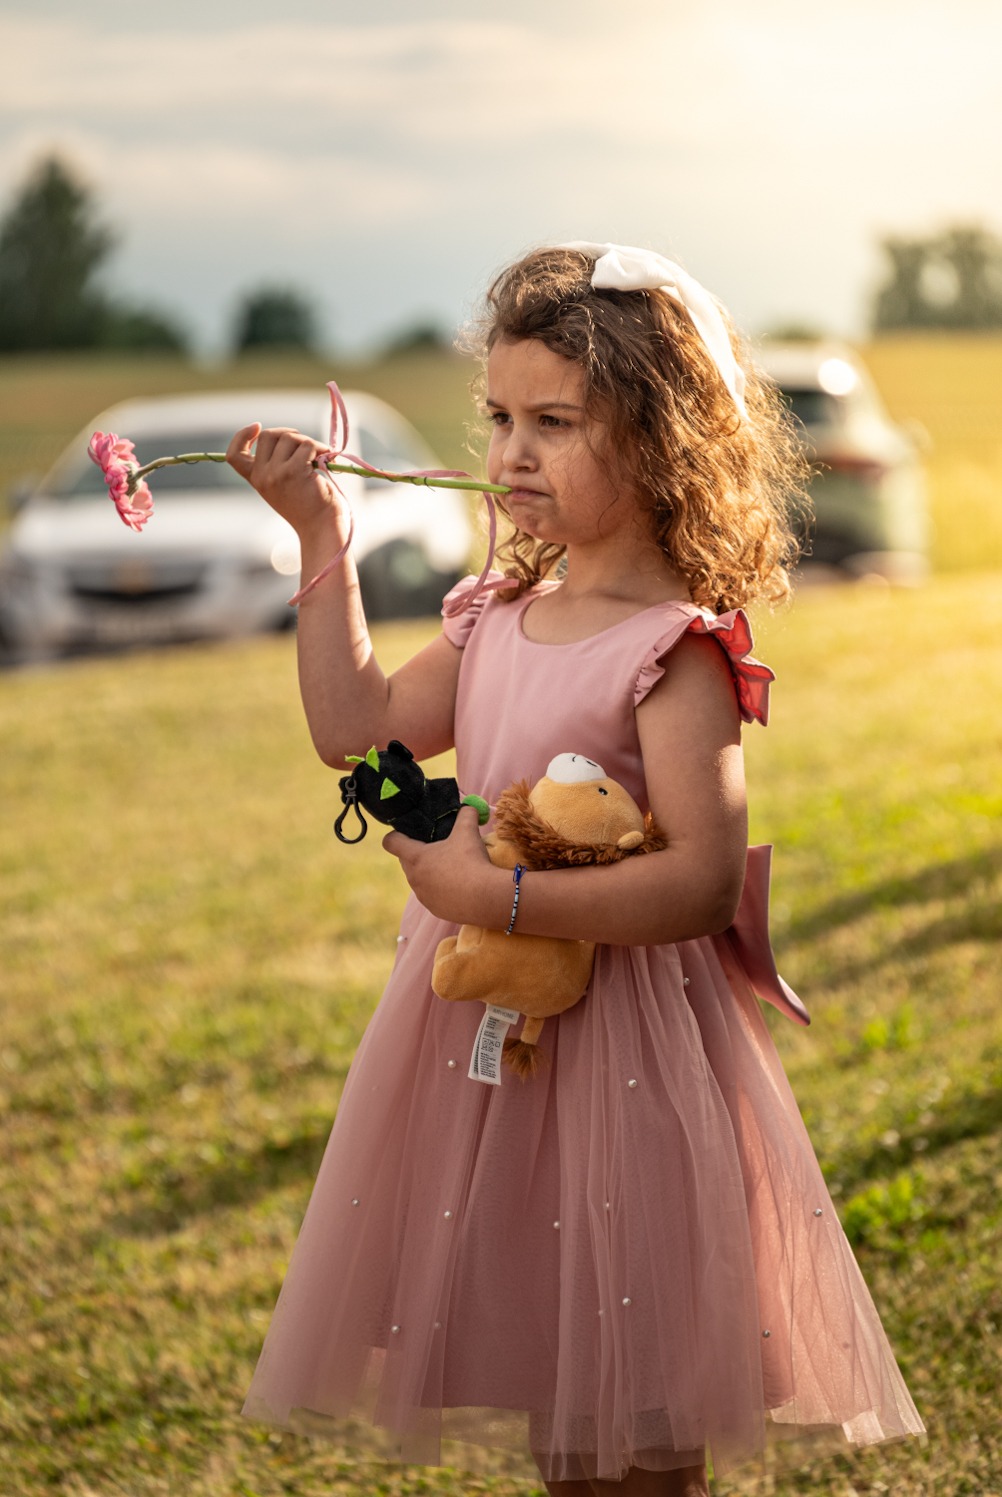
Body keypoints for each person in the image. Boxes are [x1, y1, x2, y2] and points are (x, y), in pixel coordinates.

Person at [227, 243, 924, 1496]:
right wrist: (320, 535)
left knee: (636, 1410)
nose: (510, 455)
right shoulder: (494, 613)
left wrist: (491, 895)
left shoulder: (676, 649)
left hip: (626, 1053)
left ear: (660, 441)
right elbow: (356, 728)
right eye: (500, 418)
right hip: (487, 1046)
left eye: (555, 423)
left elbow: (700, 882)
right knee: (563, 1385)